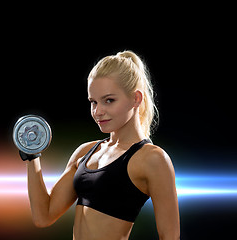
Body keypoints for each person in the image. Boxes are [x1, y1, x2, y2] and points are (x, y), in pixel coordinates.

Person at [20, 50, 180, 240]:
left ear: (136, 98)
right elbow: (43, 216)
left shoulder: (152, 159)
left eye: (109, 100)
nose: (98, 111)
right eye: (93, 102)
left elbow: (170, 236)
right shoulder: (85, 152)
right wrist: (32, 155)